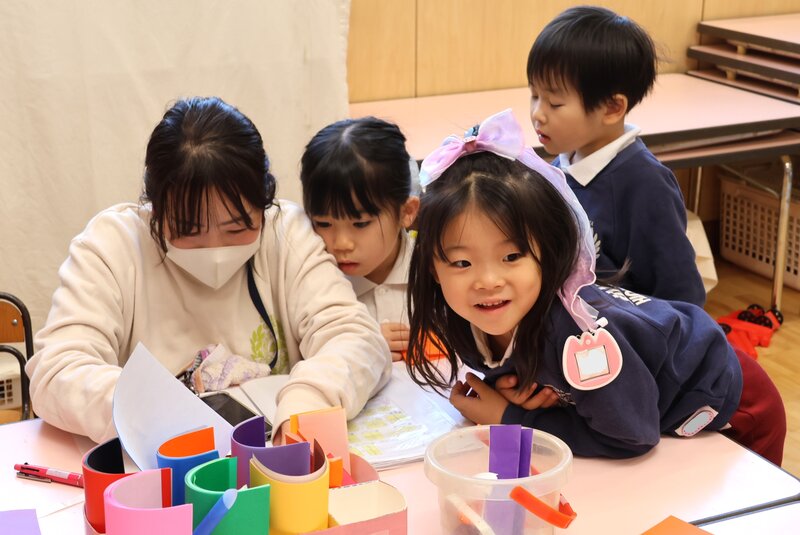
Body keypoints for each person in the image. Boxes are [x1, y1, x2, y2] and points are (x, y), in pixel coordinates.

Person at [405, 109, 785, 464]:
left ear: (547, 254)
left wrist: (511, 418)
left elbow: (632, 435)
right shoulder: (464, 313)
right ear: (433, 268)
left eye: (512, 256)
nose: (488, 282)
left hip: (732, 407)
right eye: (462, 263)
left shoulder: (581, 336)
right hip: (646, 408)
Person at [26, 97, 392, 444]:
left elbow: (355, 339)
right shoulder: (114, 244)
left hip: (275, 452)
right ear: (155, 211)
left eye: (236, 228)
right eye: (188, 230)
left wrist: (308, 402)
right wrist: (161, 413)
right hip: (162, 460)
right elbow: (57, 372)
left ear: (263, 203)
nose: (215, 248)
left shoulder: (285, 233)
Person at [527, 6, 706, 306]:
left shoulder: (646, 186)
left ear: (612, 108)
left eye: (554, 103)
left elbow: (681, 295)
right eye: (534, 95)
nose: (537, 114)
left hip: (622, 329)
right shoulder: (561, 164)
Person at [300, 117, 420, 361]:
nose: (341, 244)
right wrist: (360, 344)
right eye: (323, 223)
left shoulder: (436, 272)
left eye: (360, 223)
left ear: (406, 212)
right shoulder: (312, 284)